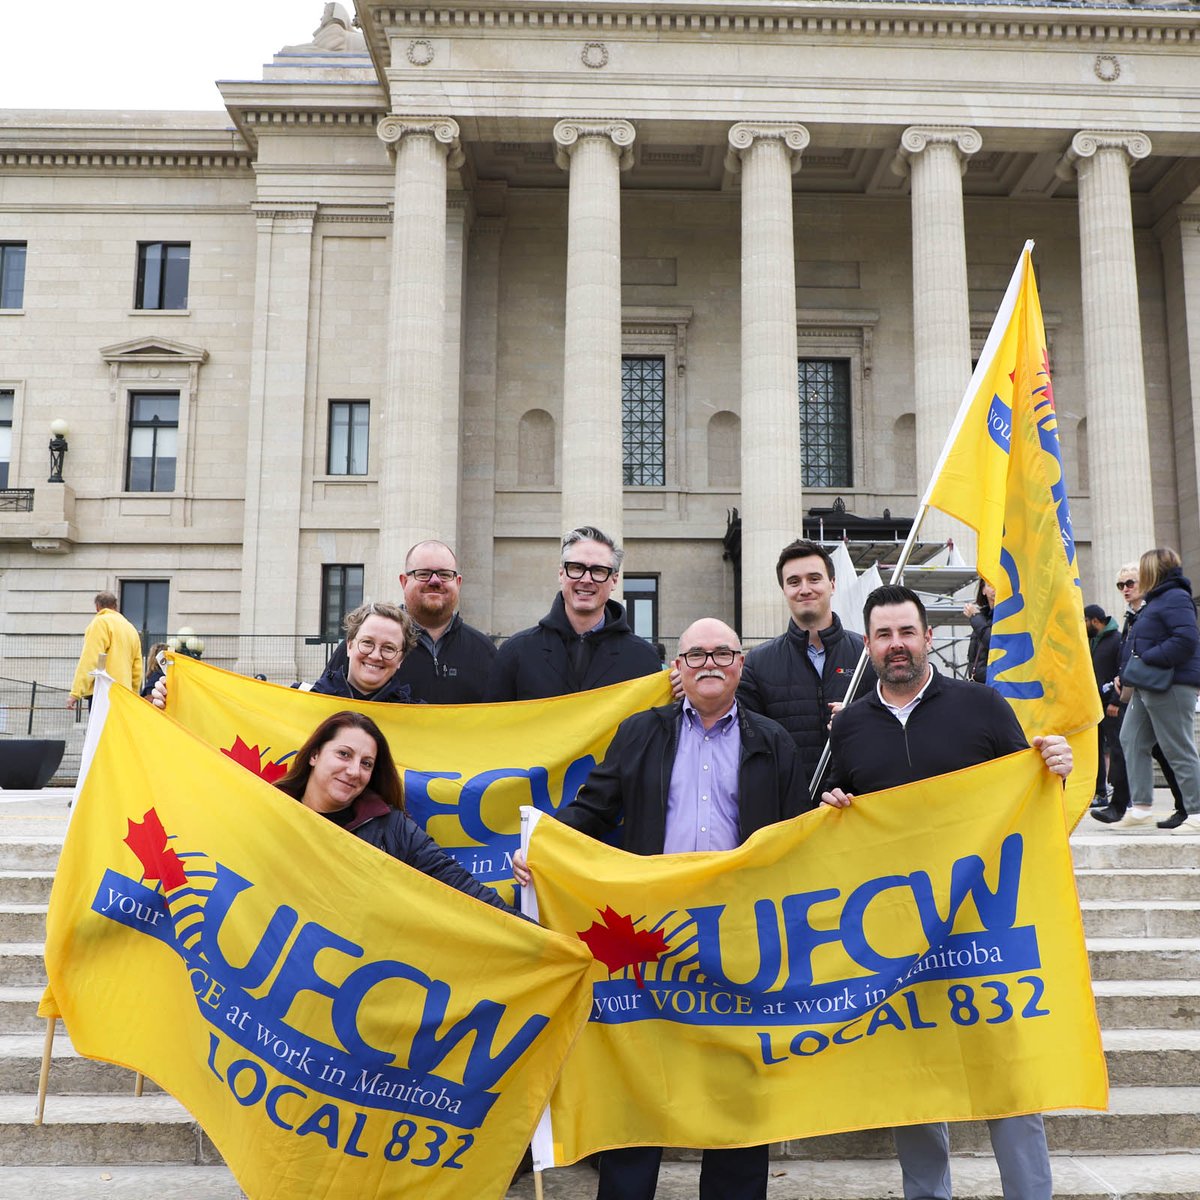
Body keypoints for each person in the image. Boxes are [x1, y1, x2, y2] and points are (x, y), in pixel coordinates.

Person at [514, 617, 807, 1200]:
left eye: (722, 654)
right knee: (640, 1085)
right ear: (676, 669)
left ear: (740, 666)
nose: (708, 665)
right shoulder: (640, 733)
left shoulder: (774, 742)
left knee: (737, 1091)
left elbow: (798, 838)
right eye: (695, 654)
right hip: (651, 940)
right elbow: (594, 810)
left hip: (737, 939)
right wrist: (542, 849)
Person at [821, 584, 1073, 1200]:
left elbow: (1029, 806)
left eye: (907, 632)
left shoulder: (983, 706)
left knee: (1010, 1079)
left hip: (985, 929)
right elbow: (832, 816)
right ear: (868, 647)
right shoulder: (848, 728)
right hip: (898, 938)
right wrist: (834, 807)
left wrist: (1055, 770)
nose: (896, 645)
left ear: (929, 637)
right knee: (916, 1079)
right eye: (883, 635)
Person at [274, 710, 516, 913]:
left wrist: (542, 939)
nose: (354, 771)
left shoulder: (394, 829)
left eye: (366, 763)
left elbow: (461, 887)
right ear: (315, 755)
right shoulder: (271, 809)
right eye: (344, 754)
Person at [737, 539, 872, 800]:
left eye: (814, 578)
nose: (805, 589)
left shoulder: (868, 654)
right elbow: (741, 736)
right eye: (794, 581)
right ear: (784, 589)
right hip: (788, 811)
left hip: (857, 805)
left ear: (832, 584)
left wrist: (862, 718)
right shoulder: (758, 662)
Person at [487, 525, 661, 701]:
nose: (586, 580)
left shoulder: (643, 658)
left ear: (614, 580)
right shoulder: (517, 652)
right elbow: (494, 722)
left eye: (598, 571)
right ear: (561, 574)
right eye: (577, 568)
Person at [323, 540, 498, 703]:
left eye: (445, 575)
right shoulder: (361, 651)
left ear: (458, 583)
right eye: (423, 574)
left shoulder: (485, 651)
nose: (435, 581)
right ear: (404, 581)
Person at [1111, 548, 1200, 833]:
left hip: (1171, 684)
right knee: (1131, 738)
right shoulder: (1158, 600)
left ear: (1153, 571)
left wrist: (1147, 658)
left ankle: (1197, 812)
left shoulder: (1175, 598)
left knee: (1178, 748)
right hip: (1148, 685)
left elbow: (1186, 639)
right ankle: (1141, 807)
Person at [1091, 564, 1186, 826]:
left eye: (1130, 583)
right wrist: (1122, 678)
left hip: (1158, 687)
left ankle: (1186, 806)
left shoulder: (1155, 610)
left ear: (1144, 582)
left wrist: (1139, 667)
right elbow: (1128, 653)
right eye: (1121, 585)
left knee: (1169, 750)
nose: (1125, 589)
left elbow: (1181, 641)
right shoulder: (1131, 616)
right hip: (1135, 689)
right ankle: (1125, 806)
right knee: (1130, 742)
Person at [68, 592, 144, 710]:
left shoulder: (100, 623)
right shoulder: (131, 628)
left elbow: (90, 658)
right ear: (115, 606)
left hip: (103, 691)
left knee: (101, 728)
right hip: (124, 694)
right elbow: (137, 668)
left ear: (97, 607)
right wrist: (133, 693)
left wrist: (76, 692)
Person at [1085, 603, 1122, 806]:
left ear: (1095, 621)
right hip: (1095, 705)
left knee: (1116, 747)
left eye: (1085, 621)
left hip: (1111, 705)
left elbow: (1121, 671)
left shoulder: (1116, 640)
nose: (1083, 625)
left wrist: (1116, 701)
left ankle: (1121, 793)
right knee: (1096, 749)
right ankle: (1100, 793)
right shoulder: (1092, 642)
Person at [963, 580, 995, 684]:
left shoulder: (1008, 616)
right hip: (979, 681)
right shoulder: (983, 616)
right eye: (990, 585)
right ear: (983, 590)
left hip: (995, 681)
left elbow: (993, 642)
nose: (994, 589)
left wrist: (976, 618)